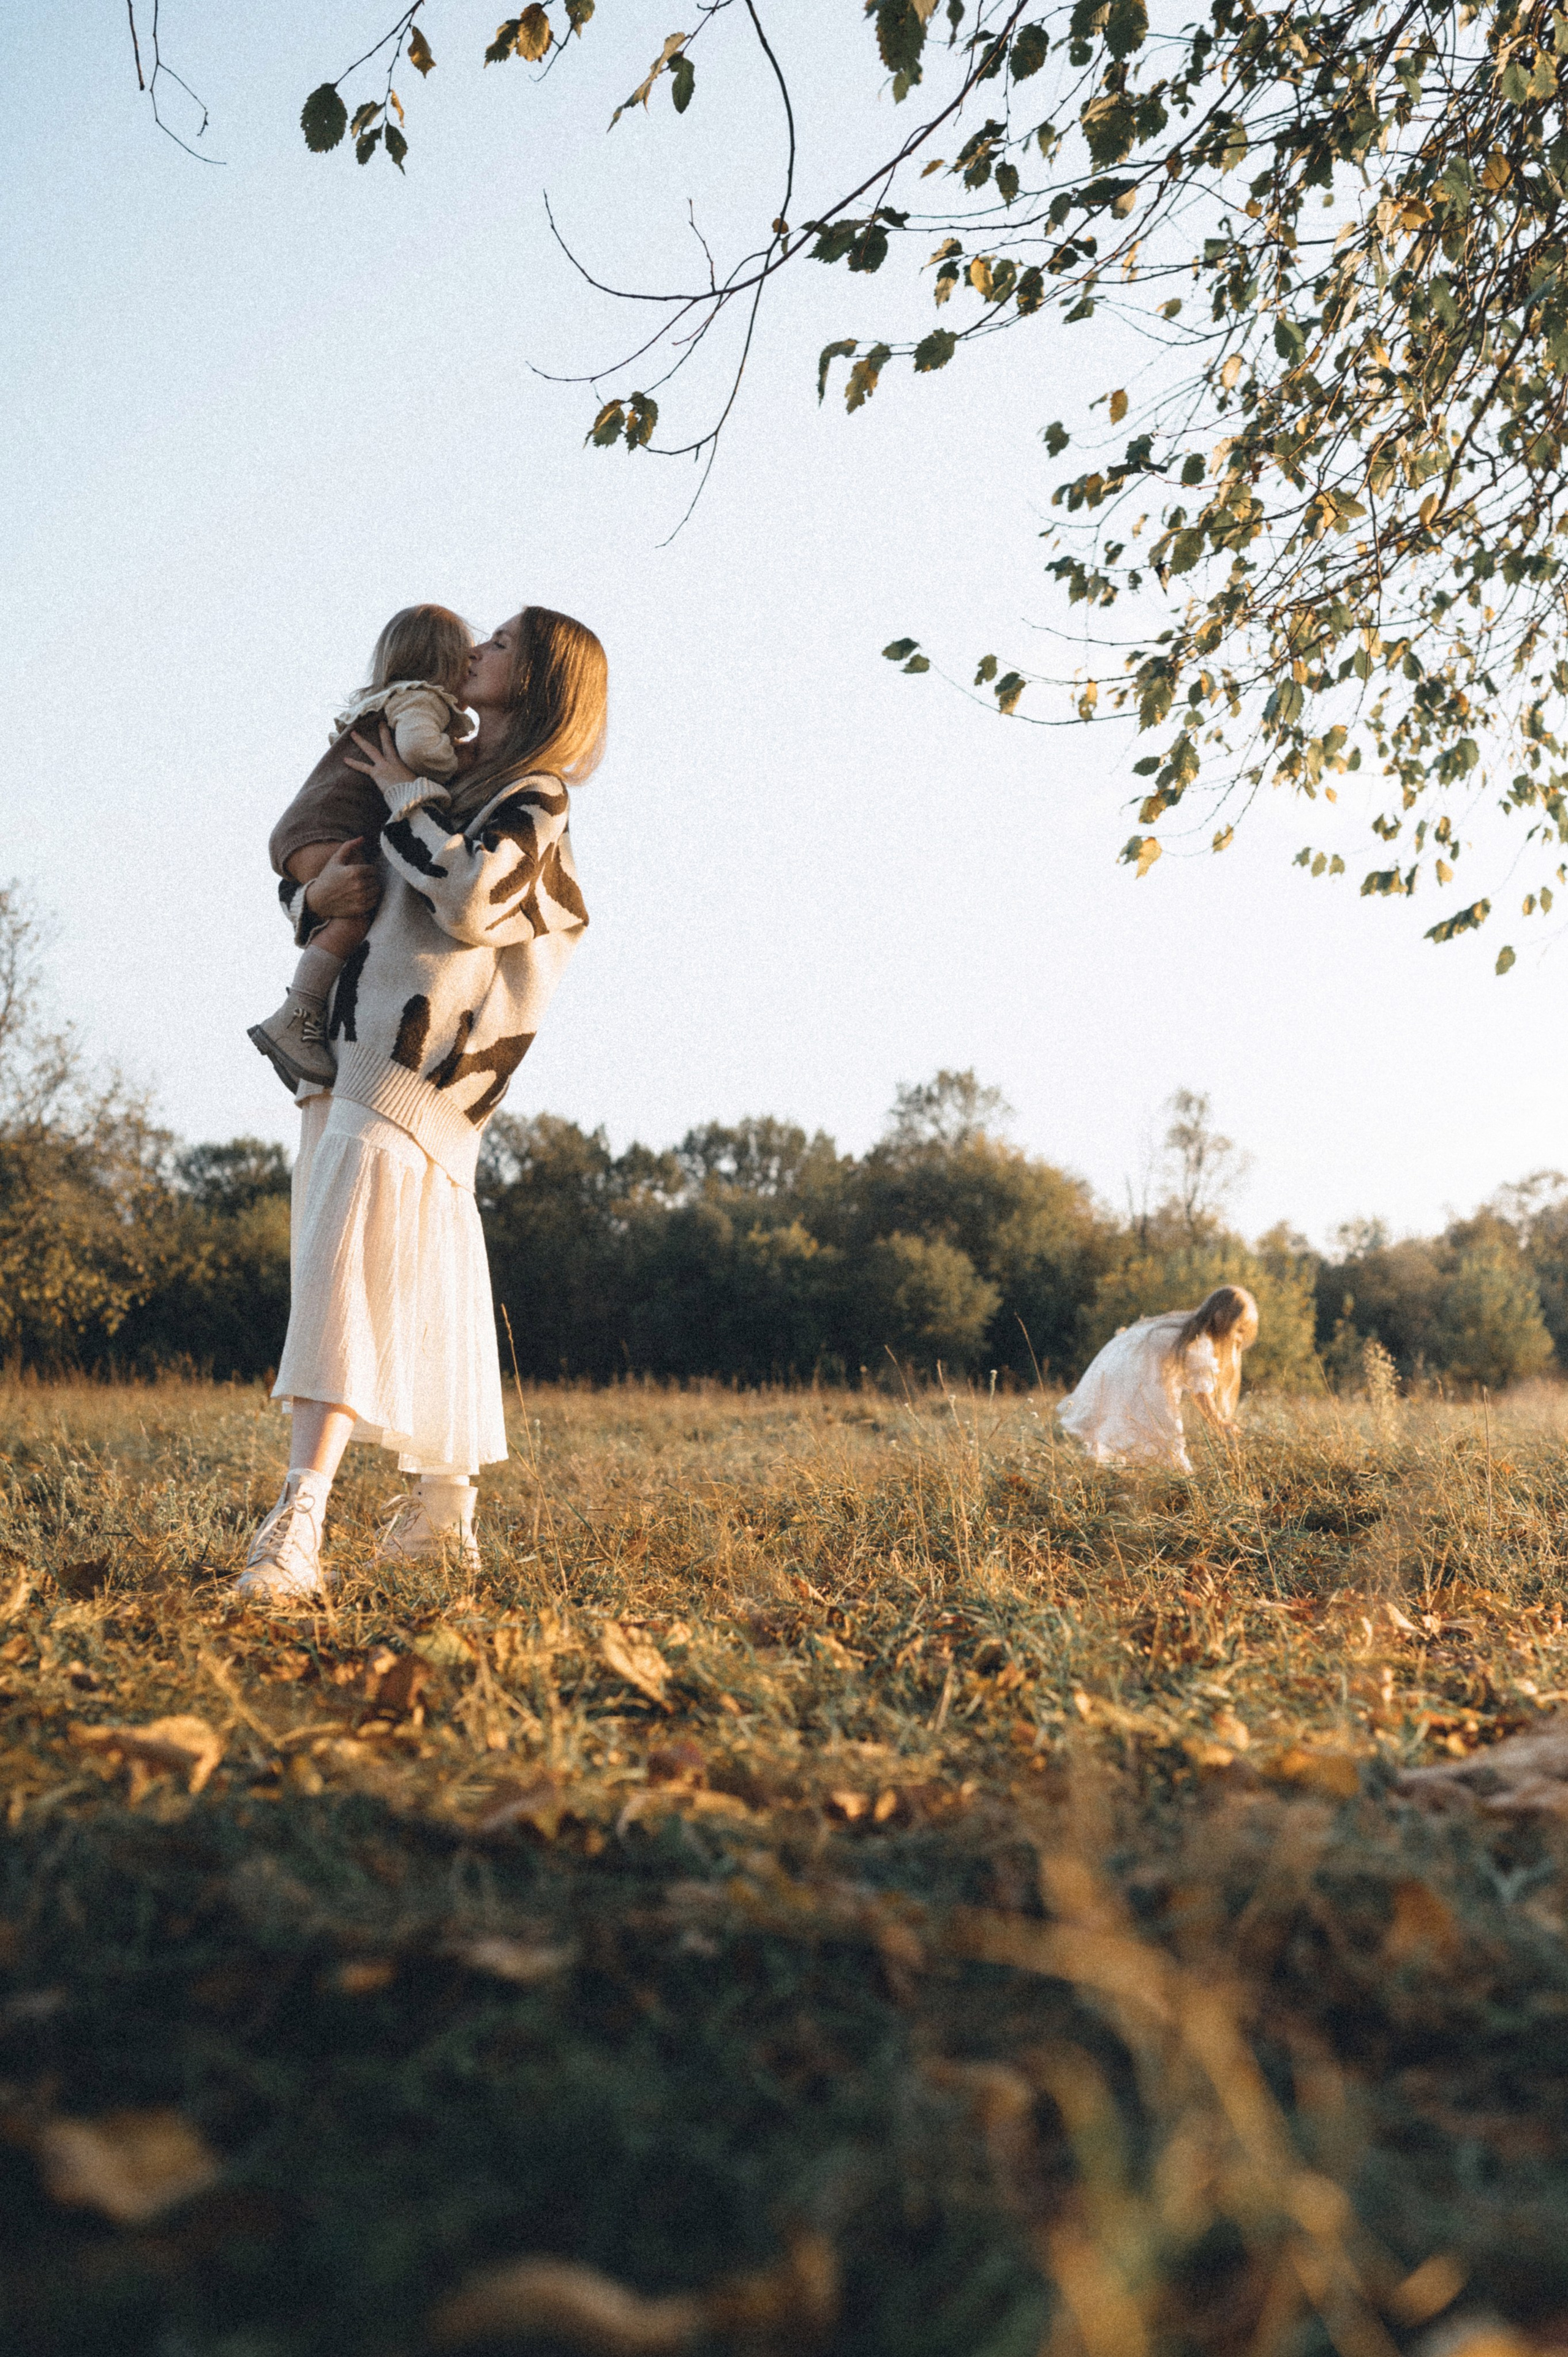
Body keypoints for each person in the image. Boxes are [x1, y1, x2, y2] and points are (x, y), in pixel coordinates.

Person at [237, 606, 605, 1600]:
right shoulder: (447, 777)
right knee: (408, 1277)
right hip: (351, 1052)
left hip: (413, 1067)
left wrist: (405, 794)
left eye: (499, 645)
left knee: (342, 1278)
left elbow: (475, 895)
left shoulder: (534, 796)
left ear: (536, 682)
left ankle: (298, 1520)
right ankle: (442, 1517)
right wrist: (324, 891)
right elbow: (321, 888)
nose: (474, 651)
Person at [248, 604, 476, 1092]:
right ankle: (298, 1013)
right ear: (447, 663)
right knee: (353, 912)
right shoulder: (421, 701)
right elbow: (418, 750)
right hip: (329, 830)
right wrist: (455, 760)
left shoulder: (383, 701)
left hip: (304, 828)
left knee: (342, 914)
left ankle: (309, 1020)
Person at [1055, 1284, 1259, 1474]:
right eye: (1239, 1330)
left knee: (1136, 1435)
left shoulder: (1180, 1325)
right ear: (1223, 1320)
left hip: (1124, 1374)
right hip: (1143, 1381)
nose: (1240, 1339)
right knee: (1165, 1441)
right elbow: (1201, 1392)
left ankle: (1131, 1483)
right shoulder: (1198, 1340)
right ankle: (1178, 1485)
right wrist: (1218, 1422)